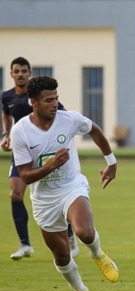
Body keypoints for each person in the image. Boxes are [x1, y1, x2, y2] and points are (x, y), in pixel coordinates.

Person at [10, 76, 120, 291]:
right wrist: (52, 165)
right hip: (43, 198)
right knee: (61, 255)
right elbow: (26, 176)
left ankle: (98, 253)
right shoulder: (20, 132)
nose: (55, 104)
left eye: (56, 99)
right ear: (34, 103)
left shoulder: (69, 119)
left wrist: (111, 161)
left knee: (84, 231)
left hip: (71, 185)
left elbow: (94, 129)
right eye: (49, 100)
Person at [1, 56, 79, 260]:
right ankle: (25, 244)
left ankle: (70, 234)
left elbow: (63, 117)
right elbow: (7, 115)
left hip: (45, 154)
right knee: (15, 194)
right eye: (16, 71)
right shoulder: (6, 97)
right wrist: (6, 135)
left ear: (29, 73)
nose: (20, 74)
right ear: (11, 74)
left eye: (24, 71)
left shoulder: (41, 95)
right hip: (23, 153)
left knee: (59, 192)